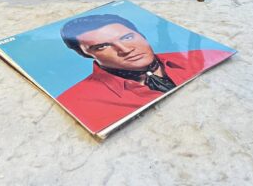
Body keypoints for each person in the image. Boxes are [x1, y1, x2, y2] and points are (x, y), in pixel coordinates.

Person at [57, 13, 233, 133]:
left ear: (142, 35)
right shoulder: (74, 101)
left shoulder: (208, 56)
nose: (125, 49)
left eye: (127, 37)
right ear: (86, 55)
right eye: (102, 46)